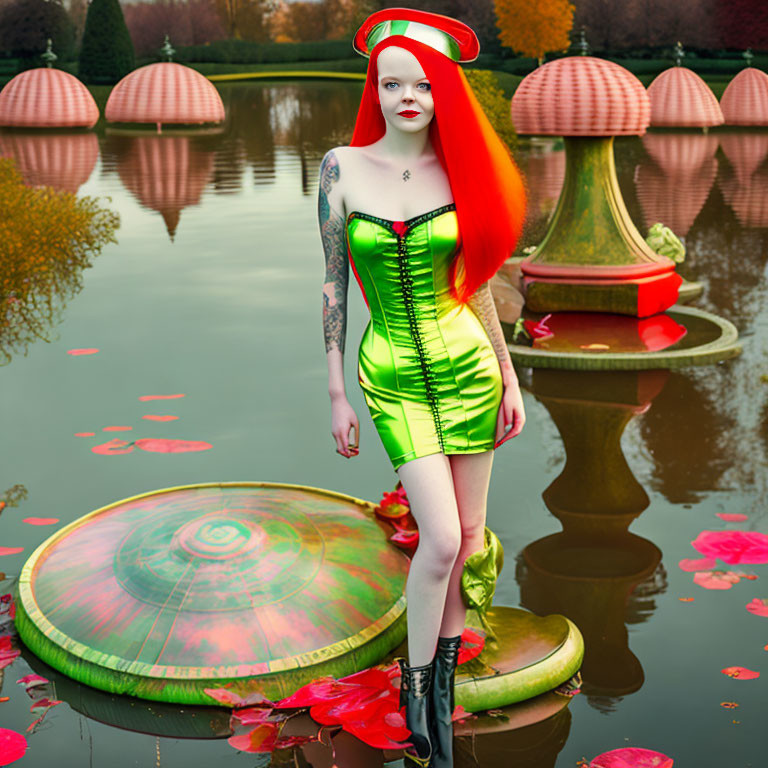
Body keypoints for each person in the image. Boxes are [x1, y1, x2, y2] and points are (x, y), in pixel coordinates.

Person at [318, 9, 527, 766]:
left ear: (443, 92)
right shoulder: (340, 167)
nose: (408, 96)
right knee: (439, 536)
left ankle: (439, 690)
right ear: (376, 88)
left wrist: (508, 375)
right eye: (392, 83)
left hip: (468, 365)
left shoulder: (457, 170)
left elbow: (475, 286)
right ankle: (414, 687)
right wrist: (336, 391)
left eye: (422, 84)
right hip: (394, 374)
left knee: (468, 540)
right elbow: (333, 284)